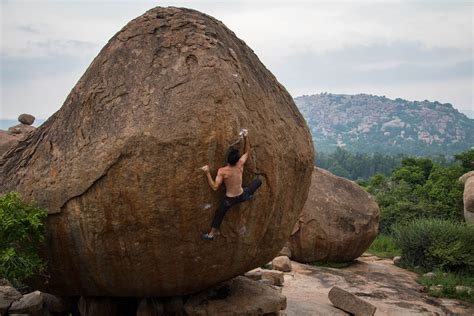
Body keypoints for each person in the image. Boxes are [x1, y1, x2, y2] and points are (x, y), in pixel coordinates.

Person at [200, 130, 262, 240]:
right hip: (242, 195)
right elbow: (247, 153)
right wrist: (246, 137)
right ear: (237, 160)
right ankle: (249, 196)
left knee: (219, 213)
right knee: (258, 182)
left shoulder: (223, 171)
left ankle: (211, 234)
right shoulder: (240, 164)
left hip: (230, 200)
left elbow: (214, 187)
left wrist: (207, 172)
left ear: (227, 160)